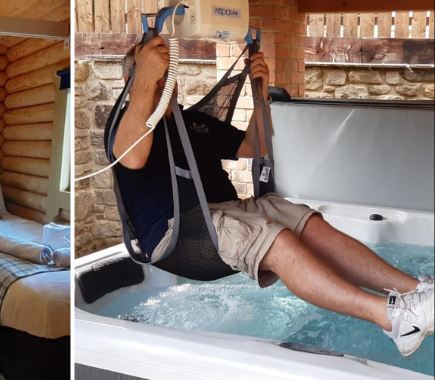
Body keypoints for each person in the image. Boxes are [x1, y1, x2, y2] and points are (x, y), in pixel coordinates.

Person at [111, 36, 434, 356]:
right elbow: (132, 158)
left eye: (168, 75)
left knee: (307, 223)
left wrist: (261, 96)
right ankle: (392, 319)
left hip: (229, 210)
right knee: (278, 239)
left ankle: (418, 292)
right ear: (132, 80)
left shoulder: (192, 121)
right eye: (157, 75)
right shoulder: (122, 124)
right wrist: (143, 82)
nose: (165, 83)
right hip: (176, 232)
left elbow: (255, 146)